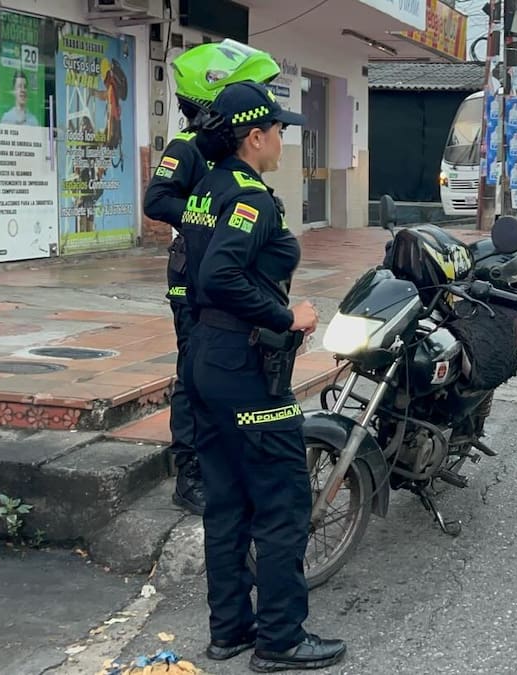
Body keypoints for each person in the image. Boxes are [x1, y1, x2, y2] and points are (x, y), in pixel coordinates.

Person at [182, 80, 346, 672]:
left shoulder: (207, 188)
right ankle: (280, 640)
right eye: (278, 129)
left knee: (227, 499)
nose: (282, 139)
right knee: (282, 499)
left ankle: (230, 630)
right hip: (242, 363)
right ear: (255, 136)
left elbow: (195, 275)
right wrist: (288, 315)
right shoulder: (250, 198)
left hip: (206, 356)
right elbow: (220, 276)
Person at [142, 40, 282, 515]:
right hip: (192, 282)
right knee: (193, 380)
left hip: (224, 282)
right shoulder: (187, 147)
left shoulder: (229, 152)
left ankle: (225, 463)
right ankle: (190, 474)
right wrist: (209, 217)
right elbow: (156, 201)